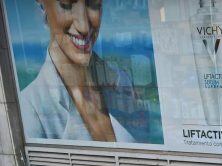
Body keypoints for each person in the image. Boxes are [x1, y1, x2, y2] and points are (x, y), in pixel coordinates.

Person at [20, 0, 136, 142]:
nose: (84, 27)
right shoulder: (29, 110)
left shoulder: (120, 81)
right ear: (43, 5)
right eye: (66, 4)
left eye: (93, 4)